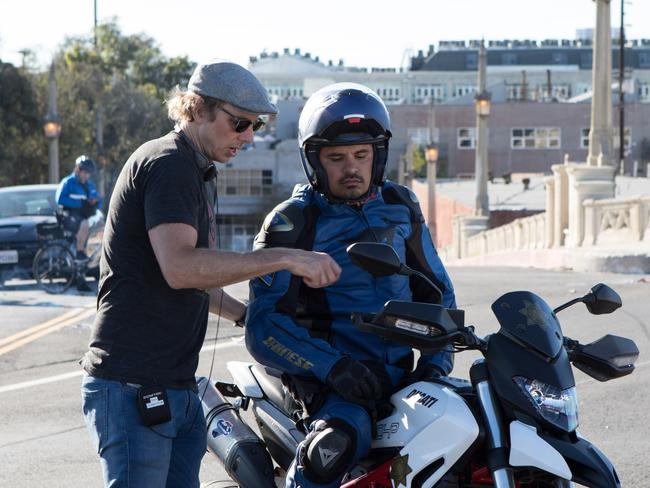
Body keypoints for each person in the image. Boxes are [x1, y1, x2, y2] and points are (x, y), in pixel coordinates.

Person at [79, 61, 341, 488]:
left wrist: (248, 317)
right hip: (133, 386)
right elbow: (182, 268)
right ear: (198, 109)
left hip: (175, 386)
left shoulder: (195, 170)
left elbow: (192, 278)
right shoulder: (169, 164)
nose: (248, 137)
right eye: (239, 123)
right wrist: (287, 257)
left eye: (254, 126)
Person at [246, 83, 457, 488]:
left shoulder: (401, 206)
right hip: (331, 388)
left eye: (362, 155)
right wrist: (333, 367)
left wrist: (434, 366)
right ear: (314, 161)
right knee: (329, 451)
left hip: (403, 380)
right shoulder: (292, 222)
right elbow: (263, 325)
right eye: (337, 158)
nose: (352, 168)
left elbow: (438, 294)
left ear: (378, 156)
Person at [55, 155, 101, 291]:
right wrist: (79, 203)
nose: (87, 175)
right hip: (69, 217)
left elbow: (97, 200)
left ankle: (86, 272)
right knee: (84, 224)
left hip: (82, 217)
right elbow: (60, 199)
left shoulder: (89, 185)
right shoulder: (68, 182)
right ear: (78, 170)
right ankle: (80, 251)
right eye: (85, 172)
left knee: (97, 225)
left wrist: (95, 203)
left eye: (89, 173)